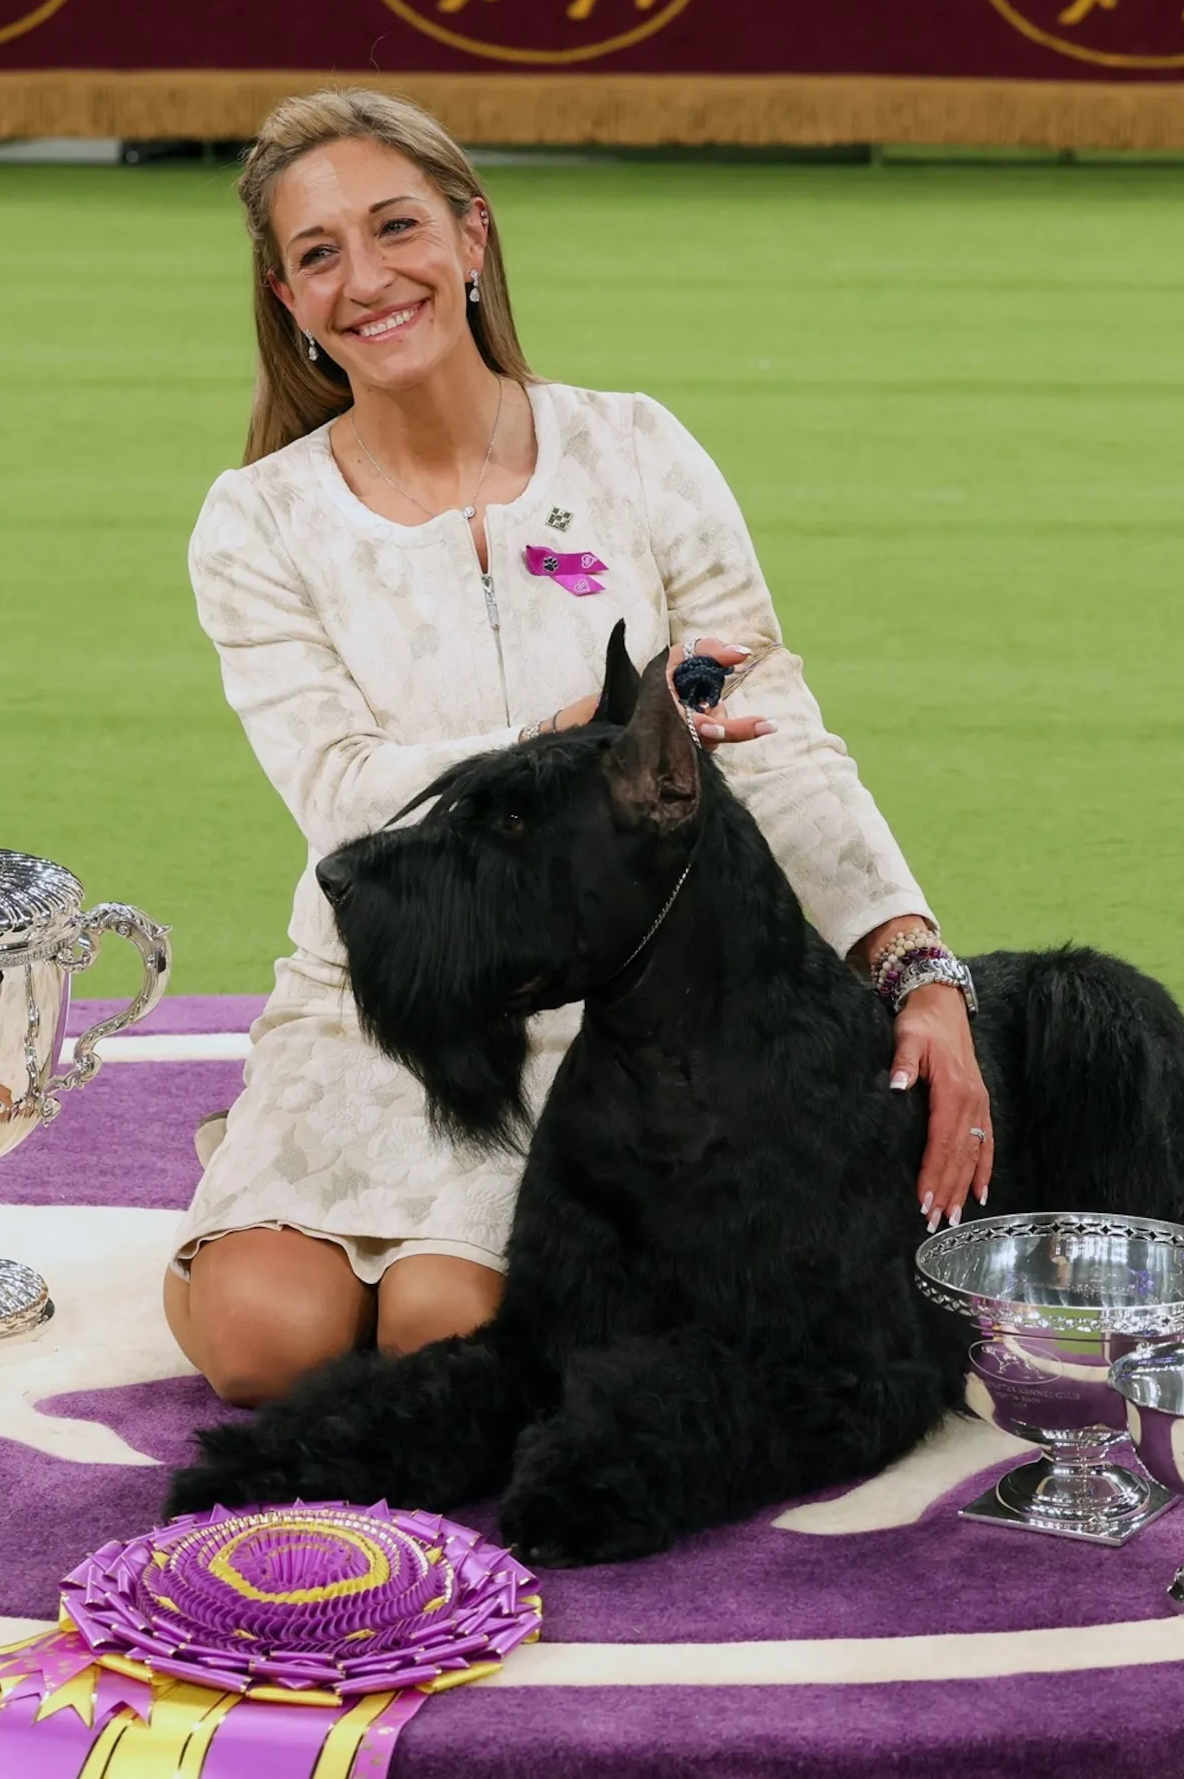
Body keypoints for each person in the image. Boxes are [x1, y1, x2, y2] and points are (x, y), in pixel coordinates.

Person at [163, 87, 995, 1406]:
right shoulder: (254, 522)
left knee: (451, 1329)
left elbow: (776, 741)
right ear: (284, 293)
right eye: (319, 255)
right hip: (379, 1002)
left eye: (397, 229)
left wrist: (914, 962)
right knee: (268, 1343)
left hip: (607, 1014)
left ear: (472, 234)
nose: (367, 279)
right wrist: (569, 747)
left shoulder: (639, 450)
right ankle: (250, 1177)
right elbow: (339, 798)